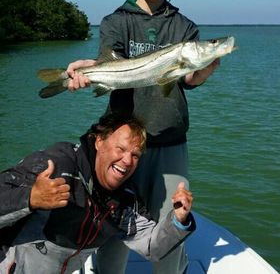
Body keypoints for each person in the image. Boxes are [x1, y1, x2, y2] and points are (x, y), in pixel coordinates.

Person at [66, 0, 220, 274]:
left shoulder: (184, 27)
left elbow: (186, 81)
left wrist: (204, 69)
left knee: (171, 228)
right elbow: (112, 63)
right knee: (113, 234)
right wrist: (90, 73)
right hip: (122, 144)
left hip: (170, 140)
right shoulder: (115, 21)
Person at [0, 113, 195, 274]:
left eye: (135, 155)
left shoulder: (123, 201)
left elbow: (152, 246)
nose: (127, 161)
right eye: (121, 149)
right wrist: (31, 198)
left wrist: (177, 220)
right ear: (99, 141)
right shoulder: (57, 165)